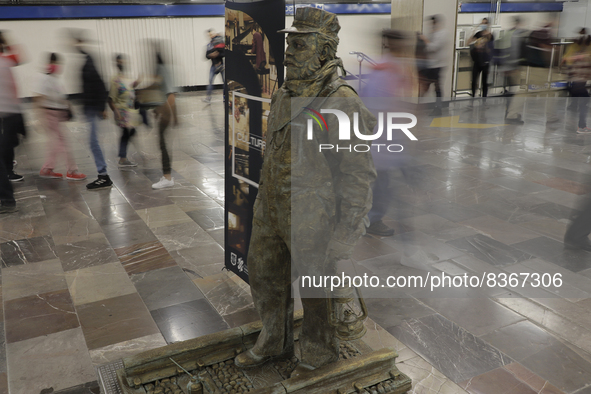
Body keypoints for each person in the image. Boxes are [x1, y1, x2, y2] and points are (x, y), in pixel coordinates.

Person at [233, 7, 376, 376]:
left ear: (325, 51)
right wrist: (263, 202)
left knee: (316, 290)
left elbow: (358, 174)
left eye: (300, 44)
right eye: (289, 43)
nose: (289, 52)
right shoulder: (286, 93)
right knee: (265, 274)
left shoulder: (341, 100)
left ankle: (318, 350)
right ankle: (274, 339)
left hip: (313, 211)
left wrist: (346, 232)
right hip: (273, 205)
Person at [361, 29, 413, 237]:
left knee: (383, 181)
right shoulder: (386, 70)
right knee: (382, 183)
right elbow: (380, 107)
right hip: (383, 137)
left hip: (385, 136)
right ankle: (373, 220)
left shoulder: (386, 67)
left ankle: (373, 217)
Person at [36, 53, 86, 180]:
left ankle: (47, 169)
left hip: (58, 114)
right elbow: (39, 98)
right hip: (50, 114)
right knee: (62, 143)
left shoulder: (55, 79)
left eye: (57, 63)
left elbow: (61, 97)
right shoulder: (43, 78)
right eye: (54, 62)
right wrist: (39, 117)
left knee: (55, 144)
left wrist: (69, 108)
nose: (56, 66)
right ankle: (72, 171)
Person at [75, 35, 111, 190]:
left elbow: (100, 85)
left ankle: (103, 176)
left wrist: (101, 107)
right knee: (93, 142)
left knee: (93, 142)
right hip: (92, 108)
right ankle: (103, 174)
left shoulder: (89, 63)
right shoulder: (87, 61)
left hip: (93, 108)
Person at [0, 32, 24, 183]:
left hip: (8, 108)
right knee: (10, 141)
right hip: (8, 109)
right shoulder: (4, 60)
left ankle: (6, 165)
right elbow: (19, 57)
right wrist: (8, 42)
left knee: (10, 140)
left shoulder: (4, 60)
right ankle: (7, 170)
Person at [108, 54, 140, 167]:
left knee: (131, 132)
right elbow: (110, 99)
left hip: (131, 111)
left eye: (122, 62)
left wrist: (136, 83)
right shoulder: (115, 80)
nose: (121, 64)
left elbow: (129, 90)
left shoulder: (126, 78)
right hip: (122, 112)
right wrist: (116, 112)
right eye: (119, 62)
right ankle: (122, 158)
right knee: (126, 133)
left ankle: (123, 155)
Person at [151, 52, 177, 189]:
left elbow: (170, 95)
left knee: (163, 144)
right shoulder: (163, 69)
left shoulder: (161, 70)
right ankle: (167, 176)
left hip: (166, 116)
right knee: (162, 144)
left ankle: (167, 177)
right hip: (165, 114)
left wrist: (169, 114)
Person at [419, 15, 447, 116]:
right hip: (430, 65)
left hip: (438, 65)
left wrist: (425, 39)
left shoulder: (443, 34)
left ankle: (438, 108)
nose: (432, 25)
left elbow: (434, 47)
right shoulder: (432, 34)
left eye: (433, 23)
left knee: (437, 88)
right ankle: (421, 106)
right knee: (425, 86)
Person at [468, 18, 494, 99]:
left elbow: (491, 50)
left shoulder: (491, 36)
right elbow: (468, 42)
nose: (483, 25)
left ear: (488, 24)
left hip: (485, 62)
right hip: (476, 61)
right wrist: (474, 30)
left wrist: (486, 42)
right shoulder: (478, 34)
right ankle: (473, 96)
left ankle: (484, 98)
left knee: (484, 82)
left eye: (485, 23)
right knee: (474, 80)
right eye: (482, 23)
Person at [204, 29, 225, 104]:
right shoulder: (209, 45)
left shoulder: (219, 42)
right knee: (210, 81)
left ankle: (225, 97)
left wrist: (217, 54)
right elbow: (206, 56)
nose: (210, 36)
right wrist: (212, 55)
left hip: (221, 66)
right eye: (209, 35)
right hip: (214, 66)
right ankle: (208, 98)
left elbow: (224, 53)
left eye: (211, 34)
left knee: (225, 82)